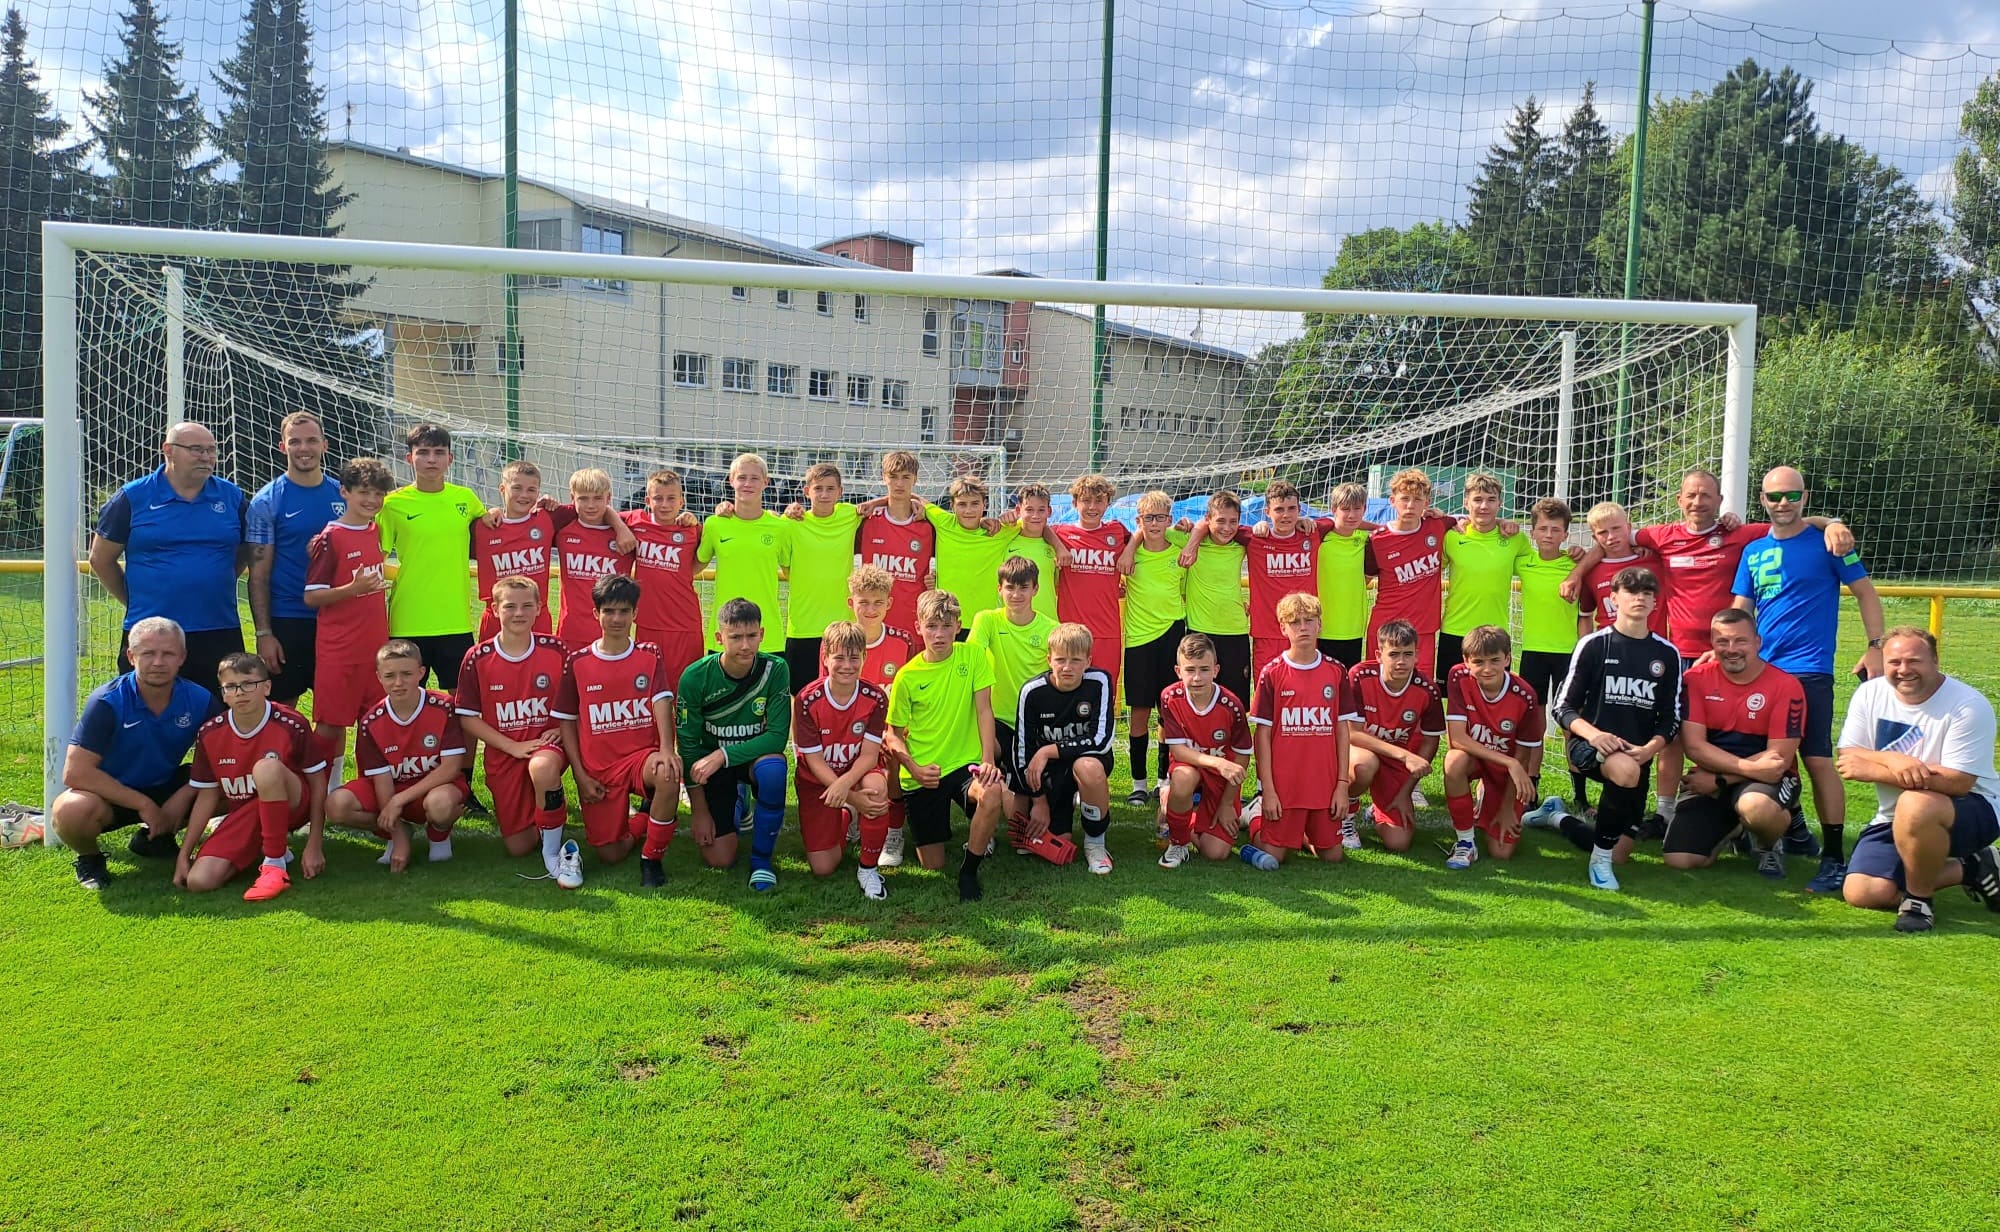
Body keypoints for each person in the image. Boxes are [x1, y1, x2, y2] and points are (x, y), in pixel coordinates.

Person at [1568, 469, 1849, 837]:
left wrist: (1831, 523)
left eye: (1706, 495)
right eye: (1691, 495)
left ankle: (1771, 813)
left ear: (1719, 502)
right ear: (1680, 501)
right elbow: (1609, 538)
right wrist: (1577, 573)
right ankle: (1666, 814)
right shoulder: (1662, 536)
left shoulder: (1739, 534)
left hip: (1729, 654)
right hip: (1679, 657)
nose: (1698, 502)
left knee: (1751, 733)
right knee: (1671, 735)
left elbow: (1790, 522)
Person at [1732, 465, 1887, 895]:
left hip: (1808, 669)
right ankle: (1794, 830)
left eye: (1792, 495)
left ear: (1805, 496)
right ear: (1762, 500)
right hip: (1763, 669)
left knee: (1817, 759)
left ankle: (1834, 857)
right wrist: (1725, 647)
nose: (1783, 503)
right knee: (1772, 755)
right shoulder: (1753, 552)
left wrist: (1876, 646)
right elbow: (1742, 606)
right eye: (1774, 496)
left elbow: (1866, 593)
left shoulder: (1828, 543)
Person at [1835, 628, 2000, 933]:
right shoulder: (1870, 693)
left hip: (1973, 807)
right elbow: (1848, 755)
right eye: (1894, 662)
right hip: (1895, 815)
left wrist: (1874, 769)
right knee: (1863, 892)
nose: (1903, 670)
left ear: (1935, 660)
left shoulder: (1968, 706)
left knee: (1915, 803)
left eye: (1914, 661)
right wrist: (1893, 759)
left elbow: (1958, 782)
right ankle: (1974, 867)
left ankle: (1918, 900)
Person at [89, 420, 249, 700]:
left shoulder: (232, 497)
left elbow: (246, 552)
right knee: (143, 715)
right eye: (196, 449)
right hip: (152, 633)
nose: (206, 457)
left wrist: (211, 580)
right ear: (168, 451)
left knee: (219, 719)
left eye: (211, 450)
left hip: (218, 628)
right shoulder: (132, 498)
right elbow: (101, 559)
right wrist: (135, 599)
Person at [51, 617, 213, 890]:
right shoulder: (107, 702)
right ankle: (89, 859)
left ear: (182, 657)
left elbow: (222, 758)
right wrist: (143, 804)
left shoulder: (200, 699)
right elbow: (75, 772)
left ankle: (153, 839)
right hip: (111, 793)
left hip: (166, 786)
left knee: (234, 788)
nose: (158, 662)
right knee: (70, 810)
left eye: (168, 653)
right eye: (148, 653)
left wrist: (184, 794)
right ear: (131, 655)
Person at [1553, 567, 1684, 891]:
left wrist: (1649, 749)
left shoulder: (1667, 654)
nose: (1639, 597)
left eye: (1647, 592)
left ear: (1656, 601)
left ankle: (1557, 818)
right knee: (1624, 772)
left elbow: (1671, 717)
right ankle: (1598, 862)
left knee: (1622, 852)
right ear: (1613, 599)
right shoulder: (1594, 645)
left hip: (1636, 758)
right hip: (1589, 747)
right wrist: (1594, 735)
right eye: (1630, 591)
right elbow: (1562, 708)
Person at [553, 574, 680, 886]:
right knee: (611, 853)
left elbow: (662, 700)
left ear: (635, 614)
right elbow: (566, 719)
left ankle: (652, 858)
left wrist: (666, 749)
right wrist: (581, 776)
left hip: (640, 758)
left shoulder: (649, 654)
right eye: (609, 611)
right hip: (599, 769)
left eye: (624, 611)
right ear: (596, 613)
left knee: (668, 771)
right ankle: (643, 818)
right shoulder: (578, 661)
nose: (617, 618)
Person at [453, 576, 579, 887]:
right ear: (494, 609)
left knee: (543, 765)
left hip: (546, 746)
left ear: (539, 608)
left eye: (527, 605)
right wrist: (511, 746)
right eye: (510, 606)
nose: (518, 613)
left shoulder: (556, 650)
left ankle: (554, 854)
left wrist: (561, 731)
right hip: (505, 753)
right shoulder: (477, 658)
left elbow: (577, 702)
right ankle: (546, 817)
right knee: (518, 846)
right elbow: (468, 717)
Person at [885, 589, 1006, 901]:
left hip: (965, 766)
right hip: (925, 773)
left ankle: (969, 869)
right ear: (918, 627)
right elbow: (892, 735)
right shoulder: (907, 676)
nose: (939, 634)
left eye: (946, 626)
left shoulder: (974, 656)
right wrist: (915, 768)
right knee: (932, 865)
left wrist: (988, 759)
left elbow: (983, 710)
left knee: (993, 794)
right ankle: (932, 832)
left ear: (958, 625)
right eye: (931, 626)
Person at [1665, 609, 1806, 877]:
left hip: (1767, 779)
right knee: (1679, 860)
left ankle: (1768, 843)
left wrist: (1719, 779)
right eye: (1722, 641)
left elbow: (1777, 760)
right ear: (1712, 644)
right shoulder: (1695, 679)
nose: (1731, 649)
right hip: (1719, 773)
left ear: (1757, 642)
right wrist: (1732, 774)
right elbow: (1695, 747)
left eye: (1740, 641)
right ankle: (1736, 827)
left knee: (1757, 808)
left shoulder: (1786, 685)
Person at [177, 653, 327, 901]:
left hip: (293, 806)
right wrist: (185, 853)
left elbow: (318, 782)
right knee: (199, 881)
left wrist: (314, 844)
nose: (240, 692)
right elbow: (207, 796)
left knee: (267, 768)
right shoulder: (210, 732)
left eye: (249, 684)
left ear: (266, 687)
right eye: (231, 687)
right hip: (247, 811)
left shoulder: (290, 722)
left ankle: (274, 865)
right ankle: (263, 847)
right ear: (223, 694)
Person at [324, 641, 470, 873]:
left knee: (440, 804)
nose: (399, 682)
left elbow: (451, 768)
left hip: (434, 787)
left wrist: (398, 802)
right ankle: (398, 830)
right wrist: (397, 836)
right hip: (391, 790)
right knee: (336, 806)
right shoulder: (371, 722)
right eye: (390, 675)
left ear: (421, 673)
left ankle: (439, 835)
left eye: (407, 674)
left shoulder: (444, 707)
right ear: (379, 677)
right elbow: (381, 781)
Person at [677, 597, 792, 890]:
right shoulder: (695, 677)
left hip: (748, 760)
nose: (745, 645)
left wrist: (722, 755)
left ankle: (761, 862)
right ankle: (738, 803)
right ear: (719, 638)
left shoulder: (775, 669)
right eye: (735, 637)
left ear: (762, 635)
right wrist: (699, 812)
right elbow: (688, 747)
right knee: (719, 858)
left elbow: (777, 737)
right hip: (713, 765)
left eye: (751, 636)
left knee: (774, 770)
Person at [1244, 592, 1356, 869]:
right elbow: (1263, 735)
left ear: (1320, 624)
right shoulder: (1272, 673)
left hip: (1324, 782)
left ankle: (1302, 832)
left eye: (1309, 620)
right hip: (1285, 786)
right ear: (1283, 628)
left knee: (1332, 856)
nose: (1302, 627)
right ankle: (1254, 815)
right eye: (1294, 622)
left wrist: (1342, 785)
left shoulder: (1336, 671)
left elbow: (1343, 731)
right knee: (1274, 856)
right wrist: (1267, 789)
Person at [302, 457, 394, 790]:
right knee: (331, 725)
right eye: (364, 492)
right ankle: (323, 791)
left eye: (378, 494)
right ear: (344, 491)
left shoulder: (374, 529)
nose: (372, 500)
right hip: (339, 650)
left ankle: (363, 792)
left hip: (375, 649)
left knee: (373, 723)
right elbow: (312, 596)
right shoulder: (331, 537)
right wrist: (353, 589)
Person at [378, 423, 486, 691]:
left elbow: (494, 530)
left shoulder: (467, 499)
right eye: (423, 452)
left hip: (455, 619)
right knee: (407, 700)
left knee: (464, 704)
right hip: (408, 619)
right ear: (409, 458)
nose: (431, 459)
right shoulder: (392, 504)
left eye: (438, 452)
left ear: (450, 458)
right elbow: (374, 560)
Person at [247, 411, 344, 704]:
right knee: (281, 708)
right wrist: (264, 633)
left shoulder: (344, 494)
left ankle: (329, 755)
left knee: (333, 714)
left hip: (336, 619)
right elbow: (259, 576)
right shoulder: (267, 501)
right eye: (295, 441)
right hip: (289, 619)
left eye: (312, 440)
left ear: (325, 445)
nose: (304, 448)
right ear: (283, 446)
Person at [792, 621, 893, 898]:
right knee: (823, 867)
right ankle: (847, 817)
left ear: (864, 658)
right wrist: (850, 799)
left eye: (854, 657)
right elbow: (813, 760)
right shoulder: (807, 699)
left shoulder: (875, 698)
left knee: (874, 789)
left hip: (855, 773)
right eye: (838, 657)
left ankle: (869, 869)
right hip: (817, 781)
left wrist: (848, 789)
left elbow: (870, 755)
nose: (846, 665)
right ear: (825, 658)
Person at [1014, 622, 1119, 874]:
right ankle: (1063, 803)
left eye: (1075, 660)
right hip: (1051, 770)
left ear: (1088, 660)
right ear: (1049, 659)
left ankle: (1095, 844)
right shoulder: (1032, 692)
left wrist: (1048, 750)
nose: (1067, 667)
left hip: (1087, 760)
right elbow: (1021, 752)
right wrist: (1038, 802)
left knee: (1088, 767)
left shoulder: (1100, 681)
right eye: (1060, 659)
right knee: (1056, 840)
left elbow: (1100, 740)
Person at [1441, 625, 1546, 868]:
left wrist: (1508, 808)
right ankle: (1466, 843)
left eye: (1495, 660)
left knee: (1501, 852)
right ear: (1466, 661)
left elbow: (1521, 758)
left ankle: (1549, 814)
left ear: (1508, 658)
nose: (1487, 669)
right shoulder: (1458, 676)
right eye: (1478, 661)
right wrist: (1508, 761)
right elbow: (1456, 739)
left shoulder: (1526, 696)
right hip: (1478, 760)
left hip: (1505, 774)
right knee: (1453, 760)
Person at [1515, 498, 1593, 816]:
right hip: (1533, 652)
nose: (1548, 534)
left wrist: (1582, 557)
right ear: (1532, 532)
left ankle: (1581, 795)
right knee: (1533, 722)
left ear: (1566, 534)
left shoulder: (1577, 567)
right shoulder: (1523, 562)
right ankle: (1531, 786)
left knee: (1570, 725)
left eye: (1556, 529)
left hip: (1567, 655)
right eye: (1543, 528)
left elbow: (1586, 612)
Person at [969, 556, 1059, 820]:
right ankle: (984, 810)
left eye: (1023, 587)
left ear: (1036, 589)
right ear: (999, 589)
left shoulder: (1050, 629)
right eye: (1010, 587)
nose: (1016, 594)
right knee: (978, 750)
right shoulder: (987, 620)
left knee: (1025, 815)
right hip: (998, 720)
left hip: (1035, 725)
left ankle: (1043, 793)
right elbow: (972, 657)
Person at [1346, 619, 1445, 855]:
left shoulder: (1427, 690)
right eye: (1394, 654)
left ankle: (1378, 809)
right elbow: (1353, 734)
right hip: (1361, 753)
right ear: (1379, 655)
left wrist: (1405, 792)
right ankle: (1346, 815)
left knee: (1398, 842)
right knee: (1364, 764)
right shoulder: (1359, 676)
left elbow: (1431, 741)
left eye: (1408, 654)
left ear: (1417, 655)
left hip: (1396, 764)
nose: (1401, 661)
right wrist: (1403, 754)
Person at [1157, 633, 1254, 867]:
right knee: (1183, 777)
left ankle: (1176, 812)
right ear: (1178, 671)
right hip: (1192, 768)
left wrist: (1227, 804)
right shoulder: (1170, 697)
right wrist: (1218, 762)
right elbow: (1179, 752)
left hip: (1222, 778)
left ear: (1216, 670)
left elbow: (1241, 757)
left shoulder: (1232, 705)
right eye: (1190, 670)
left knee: (1215, 853)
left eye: (1204, 669)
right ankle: (1178, 842)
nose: (1197, 677)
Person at [1116, 491, 1189, 805]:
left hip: (1173, 634)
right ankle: (1138, 784)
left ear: (1169, 520)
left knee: (1168, 713)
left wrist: (1186, 528)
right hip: (1139, 640)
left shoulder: (1181, 549)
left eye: (1161, 517)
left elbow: (1201, 532)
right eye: (1149, 518)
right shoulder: (1129, 557)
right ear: (1139, 521)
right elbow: (1121, 561)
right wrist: (1133, 544)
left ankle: (1163, 779)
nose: (1155, 523)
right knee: (1140, 713)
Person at [848, 564, 916, 867]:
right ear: (851, 603)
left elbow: (914, 696)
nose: (871, 609)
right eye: (864, 602)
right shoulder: (837, 642)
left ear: (889, 603)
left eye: (878, 602)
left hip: (890, 733)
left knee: (893, 753)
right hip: (851, 733)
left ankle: (893, 830)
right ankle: (852, 812)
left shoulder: (902, 643)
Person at [697, 453, 793, 657]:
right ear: (731, 481)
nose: (747, 483)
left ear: (765, 482)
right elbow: (693, 566)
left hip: (767, 633)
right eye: (741, 477)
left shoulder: (781, 527)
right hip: (724, 631)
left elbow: (793, 572)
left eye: (754, 478)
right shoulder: (714, 524)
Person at [620, 467, 708, 690]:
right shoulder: (636, 522)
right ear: (648, 500)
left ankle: (683, 727)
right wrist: (620, 528)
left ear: (682, 501)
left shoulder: (693, 529)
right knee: (650, 688)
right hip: (648, 623)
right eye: (658, 498)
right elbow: (602, 512)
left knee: (687, 690)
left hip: (684, 624)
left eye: (671, 498)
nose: (665, 505)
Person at [1365, 468, 1455, 678]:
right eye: (1404, 498)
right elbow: (1365, 579)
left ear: (1427, 502)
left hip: (1423, 630)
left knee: (1419, 692)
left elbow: (1476, 520)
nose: (1410, 505)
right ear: (1392, 500)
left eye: (1417, 499)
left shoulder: (1439, 525)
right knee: (1379, 689)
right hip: (1385, 628)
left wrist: (1502, 522)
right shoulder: (1377, 540)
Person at [781, 462, 862, 686]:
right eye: (818, 488)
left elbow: (875, 505)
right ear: (807, 492)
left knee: (842, 689)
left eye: (830, 488)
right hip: (803, 626)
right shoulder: (791, 523)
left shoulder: (850, 514)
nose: (824, 494)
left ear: (840, 492)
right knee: (800, 695)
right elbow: (785, 566)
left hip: (841, 625)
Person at [1437, 473, 1530, 670]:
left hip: (1496, 632)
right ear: (1466, 503)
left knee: (1495, 697)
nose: (1484, 506)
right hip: (1455, 630)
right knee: (1452, 698)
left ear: (1500, 503)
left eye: (1491, 500)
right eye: (1477, 499)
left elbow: (1540, 567)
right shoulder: (1451, 537)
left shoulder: (1515, 539)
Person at [1053, 473, 1127, 691]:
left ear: (1108, 503)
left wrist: (1128, 552)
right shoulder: (1061, 534)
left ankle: (1105, 727)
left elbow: (1145, 535)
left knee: (1104, 690)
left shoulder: (1117, 531)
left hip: (1107, 631)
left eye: (1099, 500)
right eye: (1086, 500)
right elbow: (1033, 527)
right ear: (1075, 503)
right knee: (1067, 690)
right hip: (1069, 629)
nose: (1092, 506)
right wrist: (1058, 547)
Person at [1179, 490, 1252, 703]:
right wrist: (1192, 536)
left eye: (1233, 521)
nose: (1227, 528)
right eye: (1220, 521)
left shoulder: (1242, 544)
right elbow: (1152, 532)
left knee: (1235, 702)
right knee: (1198, 698)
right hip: (1200, 629)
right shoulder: (1188, 539)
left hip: (1235, 630)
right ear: (1208, 519)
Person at [854, 450, 936, 634]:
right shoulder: (865, 522)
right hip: (873, 625)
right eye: (893, 476)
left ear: (915, 479)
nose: (899, 483)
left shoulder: (928, 526)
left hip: (914, 624)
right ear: (884, 478)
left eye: (906, 477)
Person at [1311, 483, 1372, 668]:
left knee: (1348, 688)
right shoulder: (1318, 536)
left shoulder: (1367, 539)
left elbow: (1367, 576)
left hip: (1353, 628)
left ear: (1364, 509)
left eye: (1357, 509)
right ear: (1333, 510)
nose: (1351, 515)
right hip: (1321, 627)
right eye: (1345, 509)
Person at [1005, 484, 1062, 621]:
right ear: (1019, 510)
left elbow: (1059, 585)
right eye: (1029, 509)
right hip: (1011, 624)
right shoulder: (1005, 540)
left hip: (1047, 623)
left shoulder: (1056, 546)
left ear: (1049, 511)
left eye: (1041, 510)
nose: (1035, 516)